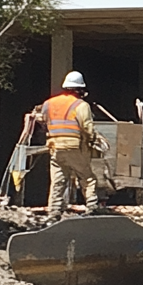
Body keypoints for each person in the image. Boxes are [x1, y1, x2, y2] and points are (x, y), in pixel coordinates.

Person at [41, 71, 100, 220]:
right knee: (87, 177)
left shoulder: (48, 104)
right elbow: (87, 127)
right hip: (74, 147)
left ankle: (54, 212)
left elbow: (43, 122)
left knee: (58, 180)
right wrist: (92, 140)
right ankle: (92, 207)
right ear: (79, 89)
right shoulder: (81, 105)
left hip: (55, 147)